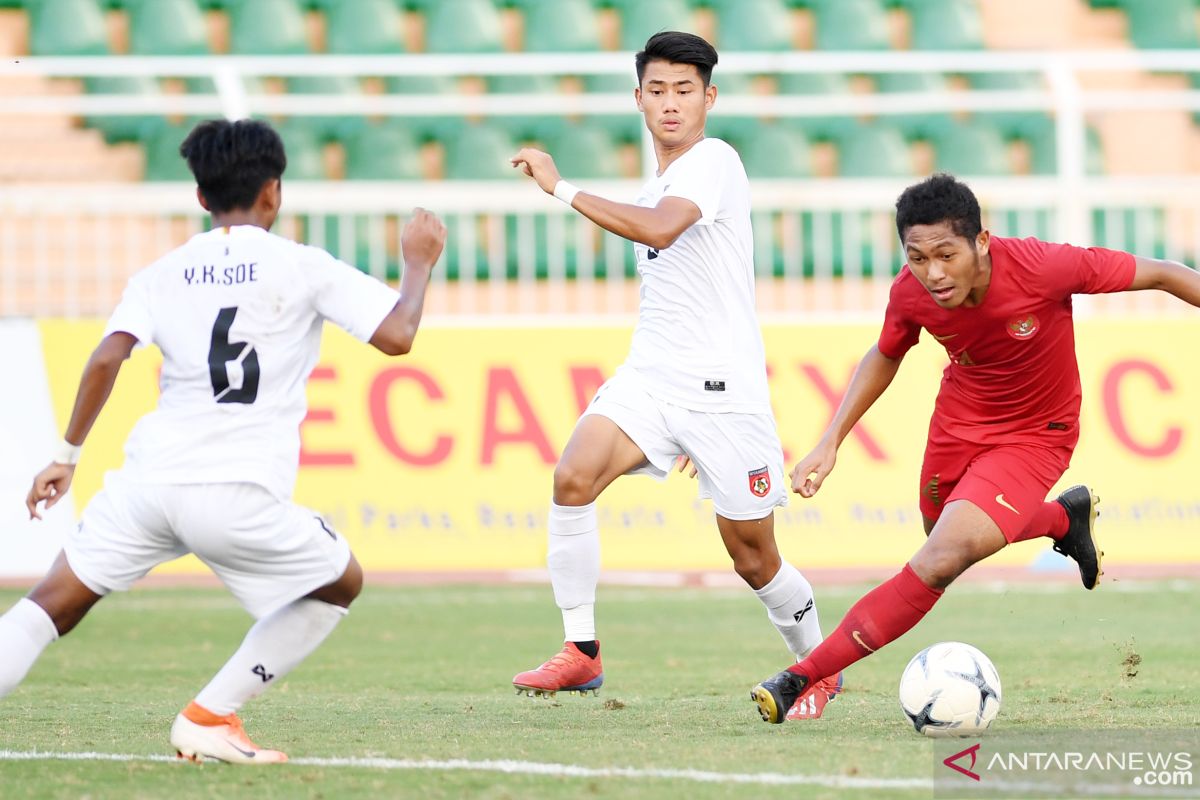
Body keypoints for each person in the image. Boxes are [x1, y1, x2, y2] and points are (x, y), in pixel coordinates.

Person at [2, 119, 447, 762]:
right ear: (274, 193)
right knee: (339, 581)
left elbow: (106, 357)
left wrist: (65, 456)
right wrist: (416, 263)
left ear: (202, 198)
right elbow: (398, 334)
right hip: (237, 490)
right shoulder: (302, 265)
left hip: (148, 484)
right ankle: (211, 714)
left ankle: (209, 718)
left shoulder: (162, 272)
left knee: (48, 607)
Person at [751, 172, 1200, 723]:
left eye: (946, 254)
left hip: (1037, 434)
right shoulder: (911, 290)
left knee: (940, 559)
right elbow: (887, 352)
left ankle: (804, 675)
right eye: (917, 257)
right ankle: (1062, 520)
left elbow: (1160, 273)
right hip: (959, 422)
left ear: (980, 242)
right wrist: (830, 441)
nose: (934, 274)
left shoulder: (1044, 266)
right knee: (939, 529)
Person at [508, 31, 840, 720]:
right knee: (572, 477)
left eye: (684, 90)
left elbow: (660, 231)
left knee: (753, 557)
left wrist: (561, 187)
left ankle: (819, 666)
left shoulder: (712, 161)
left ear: (708, 98)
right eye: (656, 90)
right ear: (638, 97)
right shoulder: (658, 179)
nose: (670, 103)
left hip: (722, 393)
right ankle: (582, 653)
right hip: (653, 378)